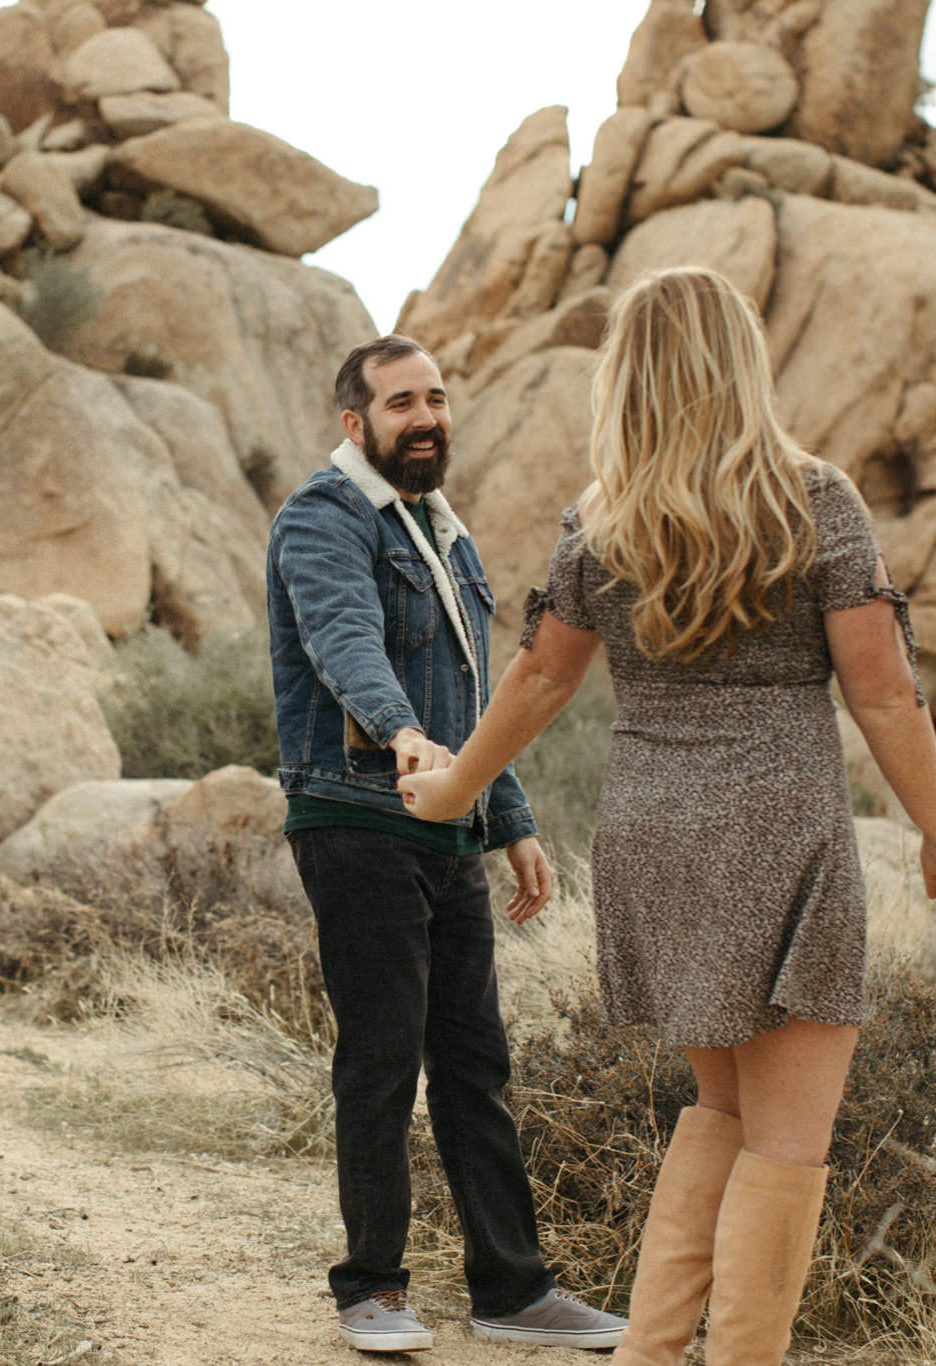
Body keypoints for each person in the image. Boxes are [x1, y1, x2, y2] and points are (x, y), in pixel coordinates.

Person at [398, 266, 936, 1366]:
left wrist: (453, 789)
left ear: (627, 377)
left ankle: (650, 1353)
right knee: (790, 1142)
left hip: (653, 834)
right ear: (742, 363)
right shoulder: (814, 501)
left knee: (721, 1110)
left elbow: (536, 681)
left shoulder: (601, 517)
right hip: (779, 835)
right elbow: (882, 688)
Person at [265, 335, 629, 1354]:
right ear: (355, 424)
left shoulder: (439, 531)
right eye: (398, 404)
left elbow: (470, 694)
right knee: (381, 1057)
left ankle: (511, 1292)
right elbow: (344, 641)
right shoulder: (322, 517)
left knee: (474, 1061)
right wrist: (399, 732)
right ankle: (370, 1288)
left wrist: (504, 818)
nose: (424, 418)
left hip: (442, 826)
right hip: (353, 815)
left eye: (434, 398)